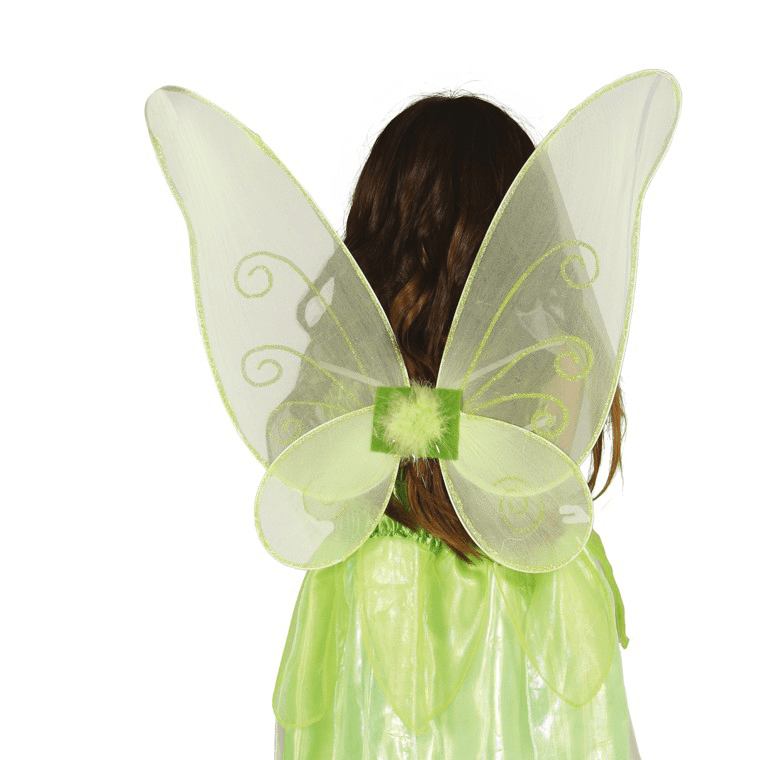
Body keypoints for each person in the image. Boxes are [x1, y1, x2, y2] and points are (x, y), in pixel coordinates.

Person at [271, 93, 640, 760]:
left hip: (387, 597)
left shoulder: (355, 370)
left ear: (383, 223)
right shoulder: (558, 358)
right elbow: (533, 467)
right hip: (520, 603)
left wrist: (408, 421)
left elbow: (322, 471)